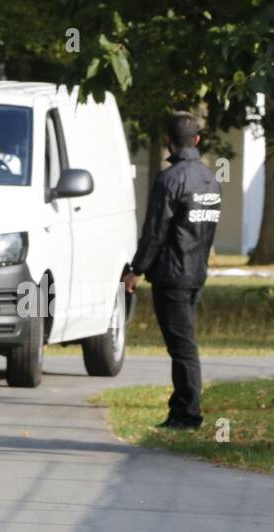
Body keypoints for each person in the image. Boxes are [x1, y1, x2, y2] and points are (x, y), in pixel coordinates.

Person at [124, 111, 222, 429]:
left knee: (182, 346)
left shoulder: (168, 180)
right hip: (196, 272)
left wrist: (136, 269)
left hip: (173, 275)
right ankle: (180, 408)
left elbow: (155, 232)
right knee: (183, 343)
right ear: (196, 140)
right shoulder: (210, 179)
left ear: (168, 140)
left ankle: (187, 413)